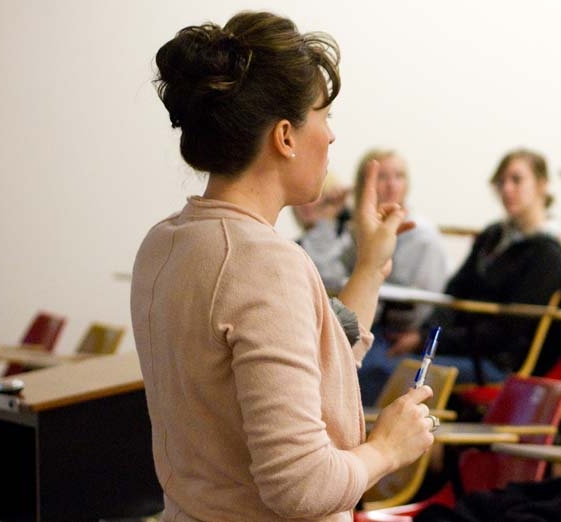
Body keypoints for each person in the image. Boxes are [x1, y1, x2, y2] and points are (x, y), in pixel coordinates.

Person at [133, 12, 435, 521]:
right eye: (325, 115)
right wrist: (387, 448)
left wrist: (369, 265)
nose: (333, 138)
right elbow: (302, 487)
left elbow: (320, 356)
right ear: (285, 137)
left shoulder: (165, 243)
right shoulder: (263, 262)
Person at [357, 149, 561, 392]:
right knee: (367, 355)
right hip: (458, 347)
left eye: (516, 180)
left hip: (494, 362)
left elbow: (506, 334)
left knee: (383, 370)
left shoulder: (548, 253)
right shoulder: (493, 236)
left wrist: (429, 343)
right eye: (501, 182)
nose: (507, 189)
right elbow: (454, 293)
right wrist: (425, 335)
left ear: (542, 185)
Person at [344, 150, 450, 404]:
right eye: (383, 177)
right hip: (361, 321)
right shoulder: (357, 227)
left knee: (359, 369)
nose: (392, 185)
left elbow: (428, 304)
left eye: (399, 176)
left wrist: (417, 335)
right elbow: (331, 273)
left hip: (397, 334)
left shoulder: (423, 236)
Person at [292, 173, 351, 289]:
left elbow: (326, 280)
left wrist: (326, 221)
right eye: (301, 196)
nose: (306, 204)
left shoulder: (350, 243)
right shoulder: (295, 246)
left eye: (316, 196)